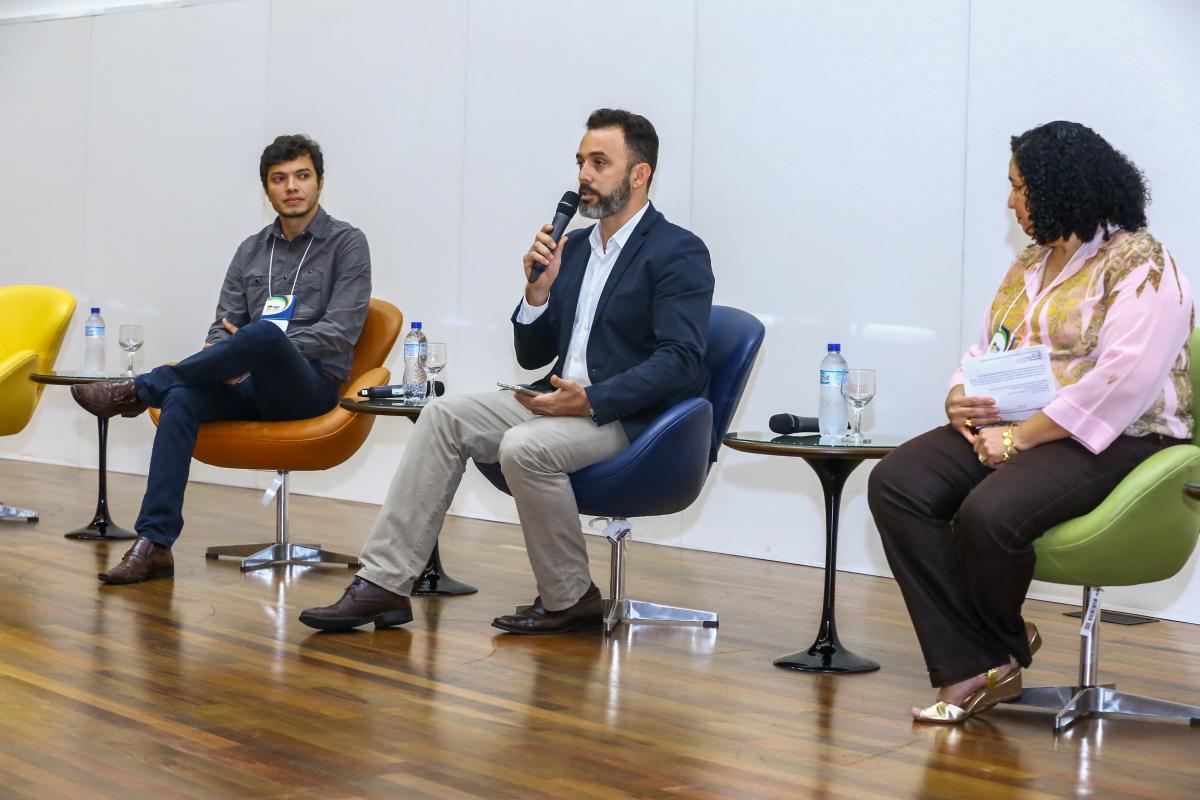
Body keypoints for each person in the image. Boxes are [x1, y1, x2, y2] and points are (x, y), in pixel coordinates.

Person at [300, 108, 715, 635]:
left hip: (625, 415)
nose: (584, 175)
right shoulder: (579, 251)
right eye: (581, 161)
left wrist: (589, 400)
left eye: (600, 162)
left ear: (639, 174)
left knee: (524, 446)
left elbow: (680, 361)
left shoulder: (678, 250)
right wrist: (536, 294)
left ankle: (570, 599)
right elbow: (532, 353)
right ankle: (384, 583)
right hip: (556, 397)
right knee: (443, 415)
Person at [867, 121, 1193, 723]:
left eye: (1020, 188)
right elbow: (995, 346)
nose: (1010, 202)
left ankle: (992, 655)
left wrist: (1020, 438)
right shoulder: (1030, 264)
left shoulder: (1142, 262)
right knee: (897, 482)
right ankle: (979, 660)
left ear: (1059, 187)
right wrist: (961, 394)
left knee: (990, 513)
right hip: (1017, 424)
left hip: (1121, 437)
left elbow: (1125, 379)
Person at [72, 135, 372, 585]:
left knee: (265, 334)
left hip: (310, 388)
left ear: (320, 183)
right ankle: (155, 544)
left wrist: (261, 342)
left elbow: (340, 332)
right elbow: (221, 328)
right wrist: (227, 353)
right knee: (183, 400)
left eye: (302, 176)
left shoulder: (348, 243)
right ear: (266, 189)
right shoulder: (250, 250)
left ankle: (139, 388)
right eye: (279, 179)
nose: (292, 187)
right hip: (250, 385)